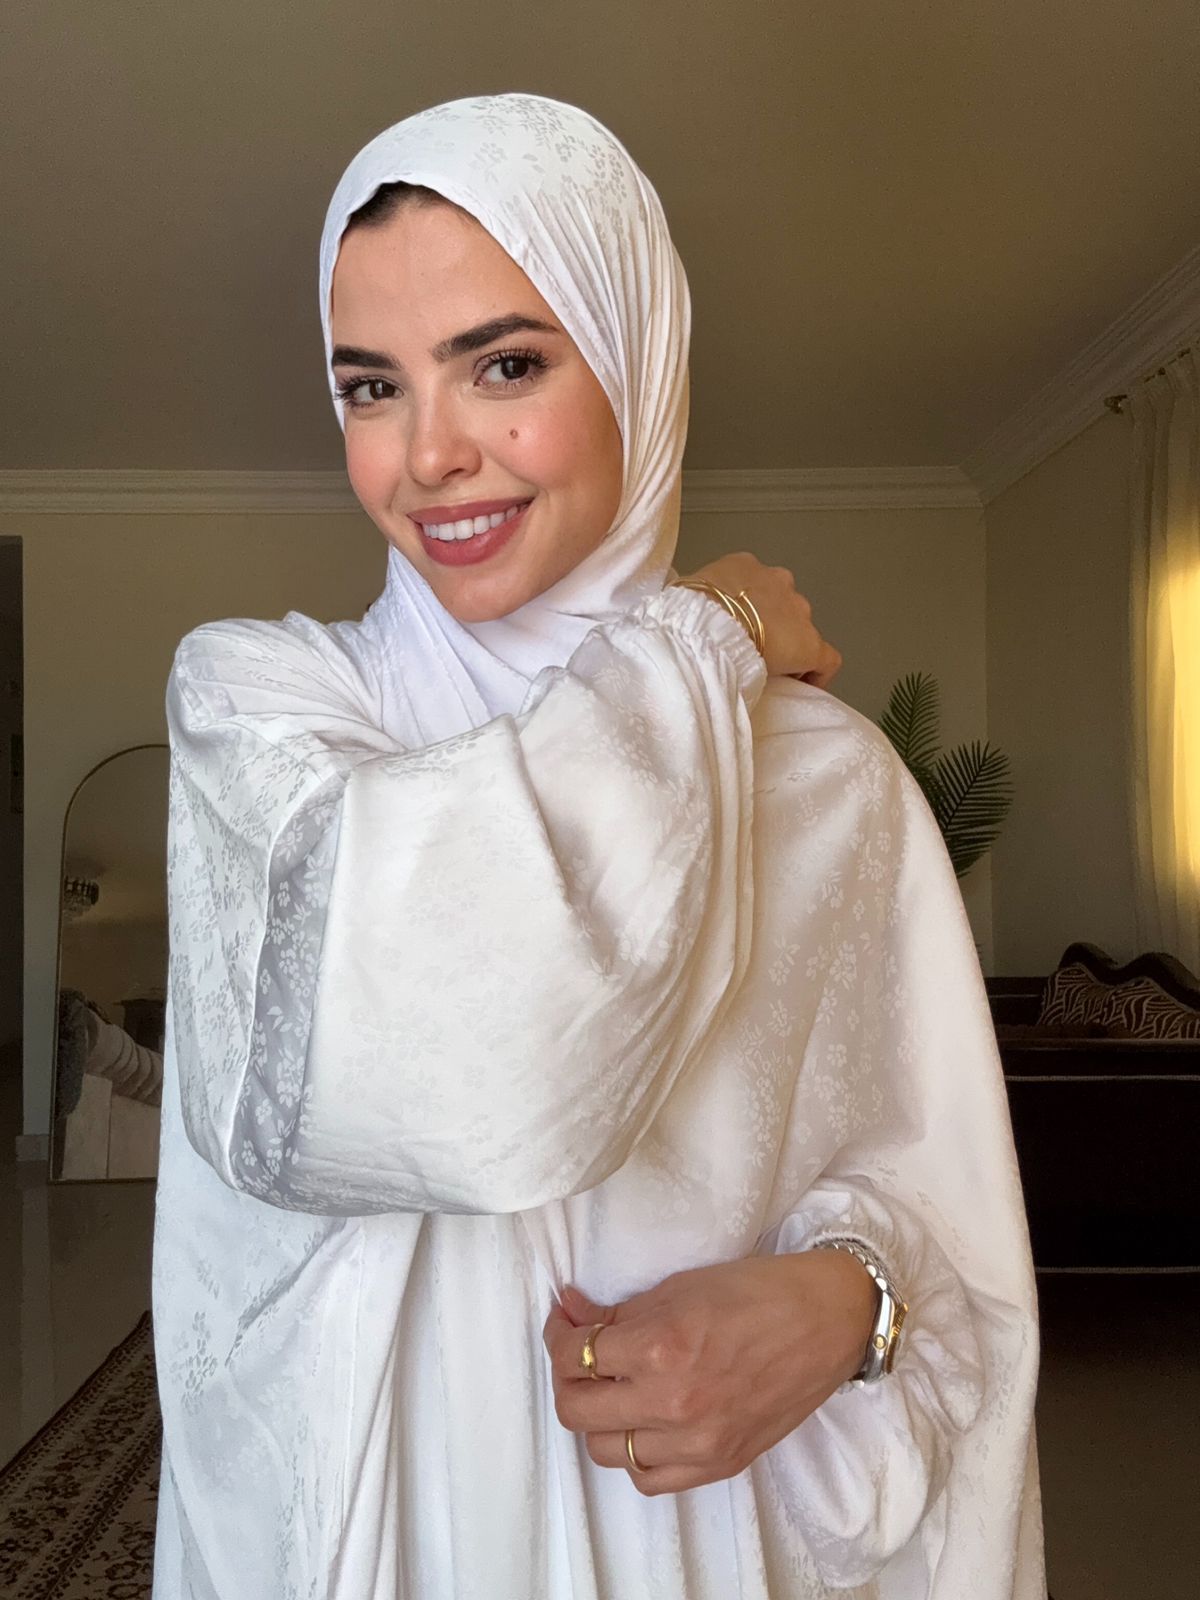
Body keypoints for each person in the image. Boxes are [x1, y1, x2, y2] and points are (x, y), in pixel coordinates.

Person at [152, 94, 1044, 1599]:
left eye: (504, 365)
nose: (430, 454)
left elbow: (947, 1214)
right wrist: (705, 634)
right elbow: (455, 1061)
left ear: (638, 361)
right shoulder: (267, 721)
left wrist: (844, 1306)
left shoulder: (831, 785)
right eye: (371, 387)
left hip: (713, 1541)